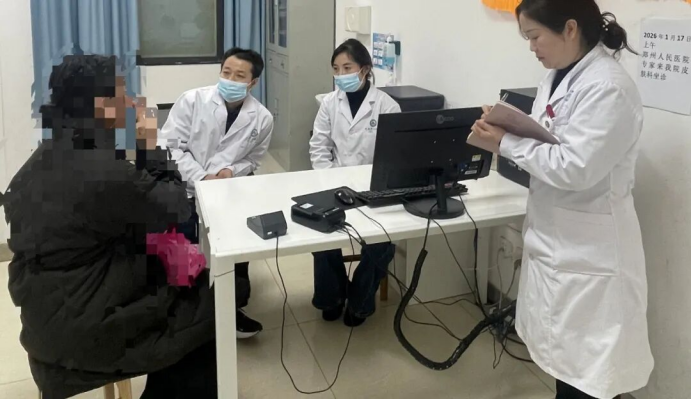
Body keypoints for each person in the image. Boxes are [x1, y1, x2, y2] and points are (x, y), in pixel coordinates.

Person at [3, 55, 218, 399]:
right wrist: (149, 145)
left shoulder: (41, 160)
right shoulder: (101, 171)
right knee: (215, 298)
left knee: (177, 264)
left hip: (44, 318)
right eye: (123, 93)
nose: (131, 102)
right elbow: (176, 206)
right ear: (102, 105)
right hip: (86, 329)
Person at [471, 1, 653, 399]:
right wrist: (505, 126)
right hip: (558, 244)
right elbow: (550, 137)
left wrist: (506, 142)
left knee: (590, 379)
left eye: (535, 36)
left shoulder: (608, 87)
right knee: (566, 370)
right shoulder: (557, 77)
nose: (531, 47)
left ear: (570, 29)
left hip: (592, 255)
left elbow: (576, 167)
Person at [160, 47, 274, 339]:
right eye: (226, 72)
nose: (230, 79)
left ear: (253, 82)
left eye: (239, 75)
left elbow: (254, 158)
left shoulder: (262, 118)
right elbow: (170, 147)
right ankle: (185, 314)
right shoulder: (192, 100)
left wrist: (231, 171)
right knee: (185, 251)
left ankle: (232, 308)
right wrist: (202, 176)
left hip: (229, 189)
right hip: (186, 187)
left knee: (236, 248)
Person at [309, 39, 401, 327]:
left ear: (365, 69)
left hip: (374, 187)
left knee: (383, 243)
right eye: (336, 69)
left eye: (347, 68)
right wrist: (329, 178)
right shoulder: (329, 103)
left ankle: (360, 300)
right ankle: (332, 297)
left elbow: (393, 156)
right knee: (322, 237)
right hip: (334, 183)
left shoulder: (387, 106)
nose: (341, 74)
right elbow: (318, 146)